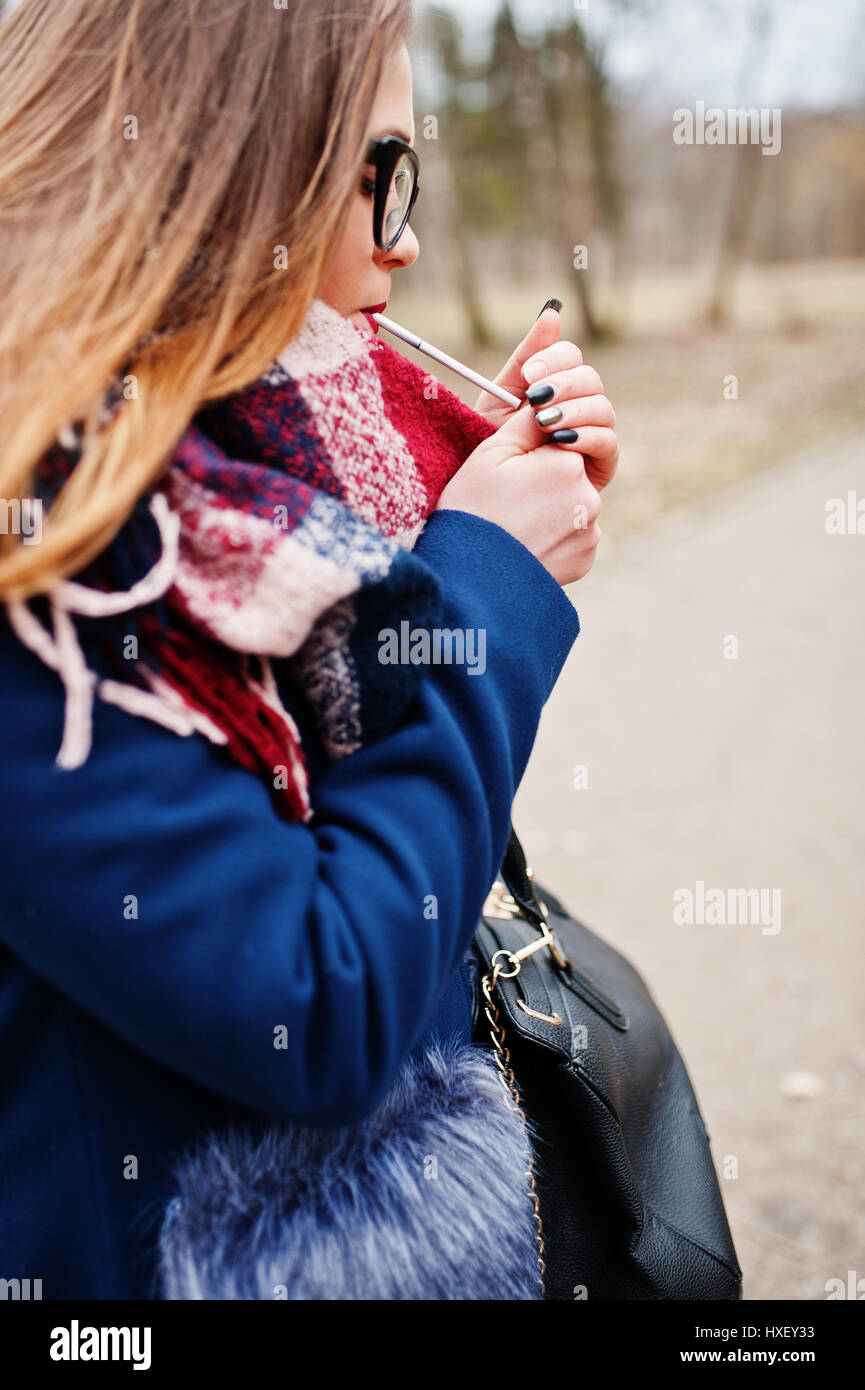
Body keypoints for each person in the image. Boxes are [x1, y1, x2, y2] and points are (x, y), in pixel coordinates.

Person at [0, 0, 619, 1299]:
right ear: (230, 168)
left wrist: (463, 520)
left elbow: (391, 841)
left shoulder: (252, 473)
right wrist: (481, 589)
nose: (402, 239)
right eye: (379, 171)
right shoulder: (46, 548)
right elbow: (318, 1002)